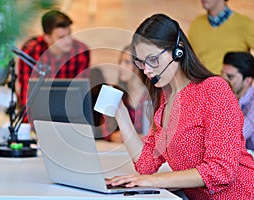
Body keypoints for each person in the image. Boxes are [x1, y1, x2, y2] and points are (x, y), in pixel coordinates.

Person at [105, 13, 254, 199]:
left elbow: (221, 170)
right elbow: (146, 164)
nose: (147, 70)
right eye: (141, 63)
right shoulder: (164, 98)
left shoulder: (214, 89)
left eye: (153, 60)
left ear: (178, 51)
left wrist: (156, 181)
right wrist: (121, 114)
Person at [17, 10, 90, 109]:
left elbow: (79, 94)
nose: (68, 41)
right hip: (37, 110)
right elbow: (27, 93)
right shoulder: (30, 51)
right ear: (47, 38)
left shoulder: (81, 52)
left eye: (69, 35)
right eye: (61, 37)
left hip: (69, 110)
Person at [188, 0, 254, 74]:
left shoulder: (245, 25)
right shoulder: (195, 25)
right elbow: (189, 61)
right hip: (202, 82)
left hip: (230, 84)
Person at [101, 45, 150, 142]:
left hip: (146, 152)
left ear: (140, 66)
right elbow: (104, 129)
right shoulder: (114, 92)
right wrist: (113, 136)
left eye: (127, 62)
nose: (121, 67)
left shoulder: (153, 95)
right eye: (120, 62)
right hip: (120, 150)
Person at [222, 52, 254, 151]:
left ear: (248, 80)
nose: (224, 80)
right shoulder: (228, 97)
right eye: (222, 74)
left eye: (230, 76)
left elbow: (235, 138)